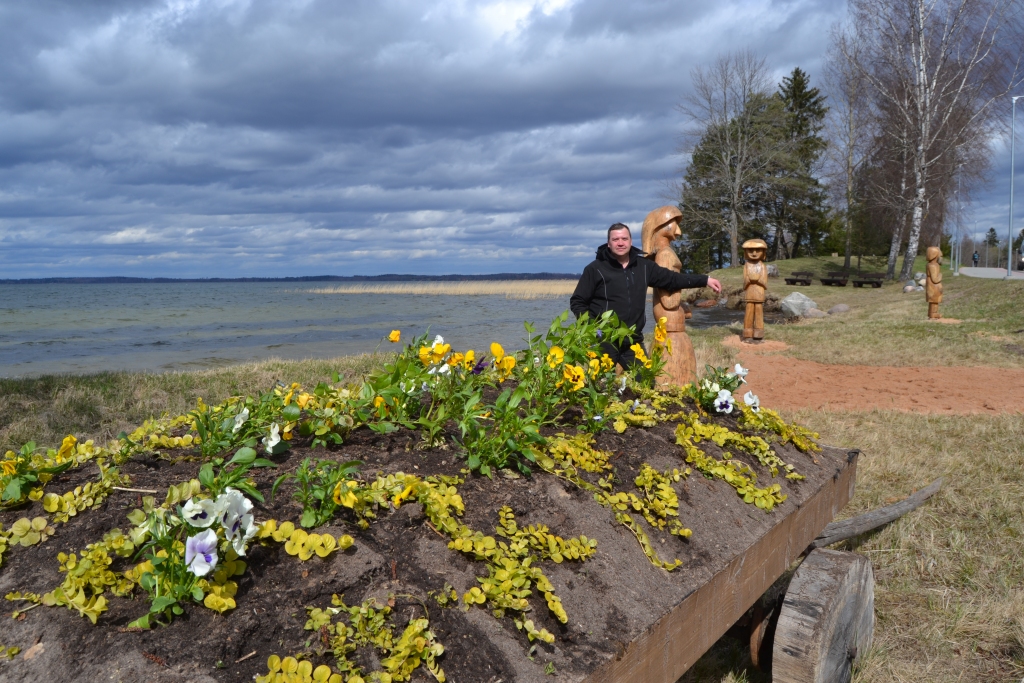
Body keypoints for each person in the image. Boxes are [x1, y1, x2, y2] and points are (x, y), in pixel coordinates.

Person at [570, 222, 722, 369]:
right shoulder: (595, 269)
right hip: (605, 340)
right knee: (601, 387)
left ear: (630, 241)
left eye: (624, 239)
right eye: (615, 239)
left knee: (644, 384)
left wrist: (705, 279)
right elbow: (578, 301)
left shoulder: (643, 266)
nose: (620, 243)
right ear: (608, 243)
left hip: (632, 339)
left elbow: (672, 279)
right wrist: (592, 328)